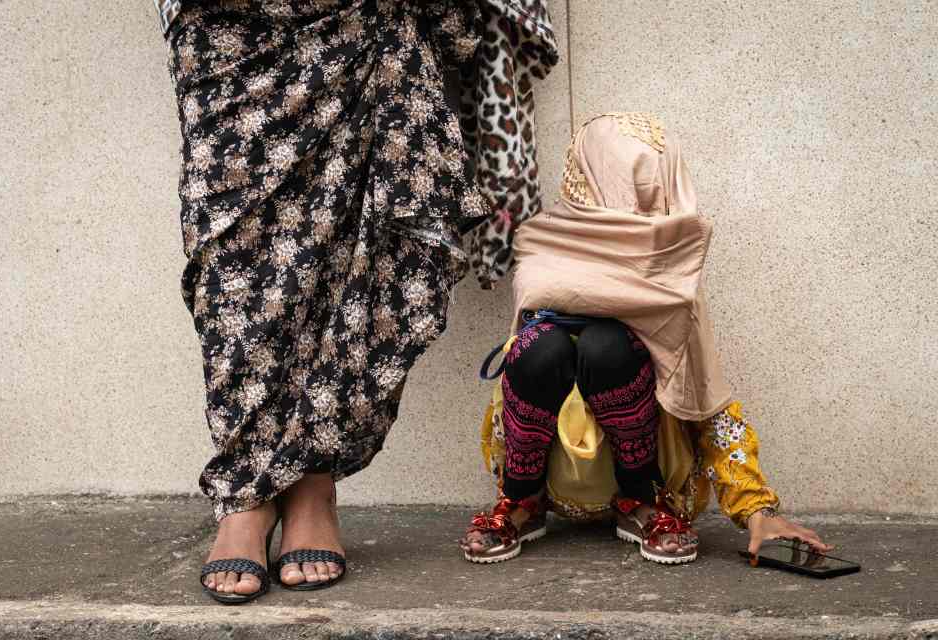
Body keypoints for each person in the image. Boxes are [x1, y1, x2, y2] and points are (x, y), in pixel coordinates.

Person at [159, 0, 491, 603]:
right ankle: (248, 491)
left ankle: (312, 481)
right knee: (235, 265)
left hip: (370, 21)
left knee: (370, 256)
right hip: (228, 28)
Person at [460, 112, 832, 565]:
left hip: (649, 471)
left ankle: (642, 505)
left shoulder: (671, 268)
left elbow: (705, 394)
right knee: (538, 347)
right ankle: (520, 501)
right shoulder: (544, 239)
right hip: (546, 470)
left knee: (607, 344)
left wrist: (756, 509)